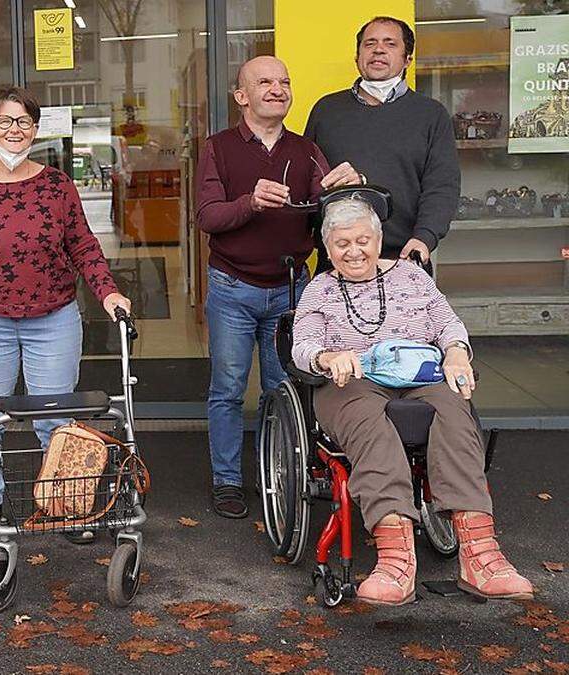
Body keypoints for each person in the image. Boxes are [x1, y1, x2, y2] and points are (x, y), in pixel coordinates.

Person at [291, 197, 532, 605]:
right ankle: (394, 561)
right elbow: (302, 345)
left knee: (455, 408)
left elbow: (445, 321)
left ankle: (482, 557)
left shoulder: (411, 276)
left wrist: (456, 350)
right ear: (327, 250)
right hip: (355, 380)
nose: (354, 251)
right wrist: (327, 357)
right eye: (342, 243)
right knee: (368, 419)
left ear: (379, 238)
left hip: (420, 373)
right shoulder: (320, 290)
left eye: (363, 240)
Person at [0, 86, 131, 544]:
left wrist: (108, 293)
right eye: (4, 121)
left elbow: (83, 245)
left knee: (56, 416)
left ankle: (63, 504)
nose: (14, 130)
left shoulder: (56, 185)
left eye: (23, 121)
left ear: (35, 128)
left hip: (54, 317)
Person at [195, 56, 362, 519]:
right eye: (264, 81)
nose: (277, 88)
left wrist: (349, 189)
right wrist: (250, 202)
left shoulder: (306, 149)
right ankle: (227, 481)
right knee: (227, 389)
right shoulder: (218, 148)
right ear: (241, 96)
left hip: (292, 290)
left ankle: (283, 476)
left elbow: (330, 216)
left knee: (283, 388)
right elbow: (207, 217)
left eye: (285, 81)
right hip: (232, 286)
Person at [305, 16, 459, 262]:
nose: (378, 49)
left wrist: (425, 237)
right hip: (338, 258)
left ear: (408, 59)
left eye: (390, 44)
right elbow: (308, 180)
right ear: (357, 57)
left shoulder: (431, 114)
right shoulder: (326, 110)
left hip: (404, 256)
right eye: (370, 43)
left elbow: (441, 186)